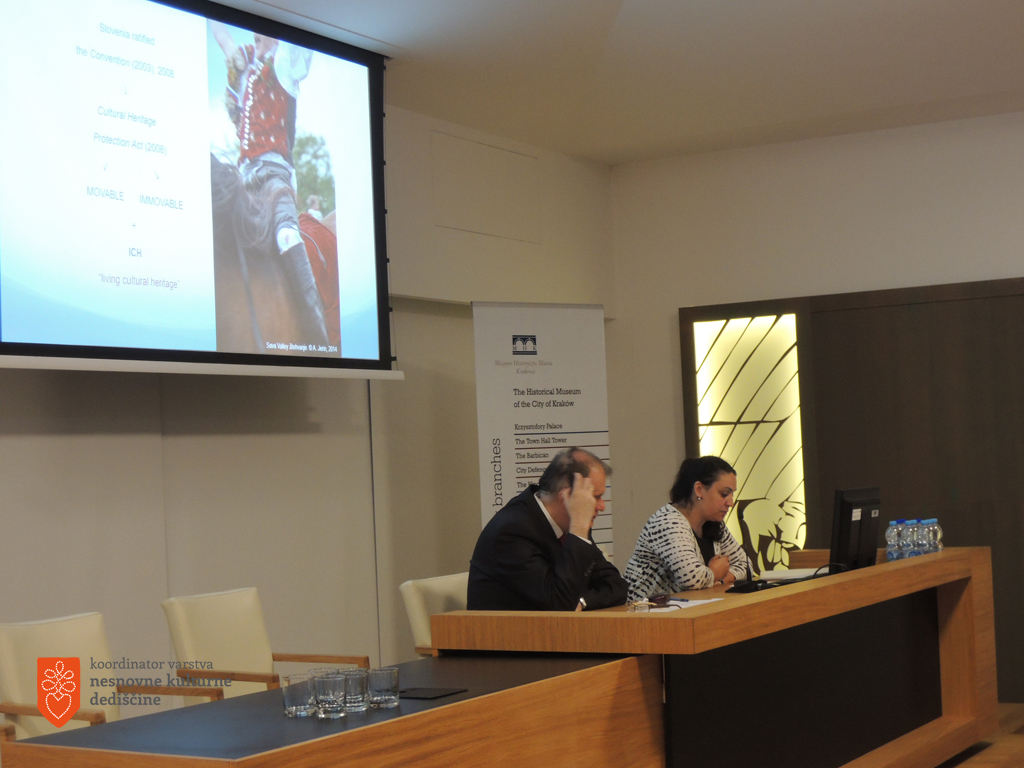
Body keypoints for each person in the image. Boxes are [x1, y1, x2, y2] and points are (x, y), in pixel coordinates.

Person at [209, 21, 328, 347]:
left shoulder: (283, 66)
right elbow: (223, 38)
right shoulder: (246, 68)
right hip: (245, 184)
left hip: (274, 179)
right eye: (255, 32)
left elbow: (297, 46)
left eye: (264, 32)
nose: (256, 34)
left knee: (287, 235)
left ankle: (317, 334)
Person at [468, 447, 628, 611]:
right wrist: (579, 528)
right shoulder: (512, 532)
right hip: (504, 628)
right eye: (596, 497)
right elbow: (560, 605)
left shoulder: (571, 525)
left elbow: (617, 586)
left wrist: (582, 602)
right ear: (566, 498)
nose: (602, 506)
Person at [624, 456, 752, 601]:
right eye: (724, 494)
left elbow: (745, 565)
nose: (731, 503)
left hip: (687, 609)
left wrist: (721, 579)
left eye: (732, 494)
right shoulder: (667, 521)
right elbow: (692, 579)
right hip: (643, 611)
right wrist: (715, 573)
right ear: (699, 490)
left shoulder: (714, 523)